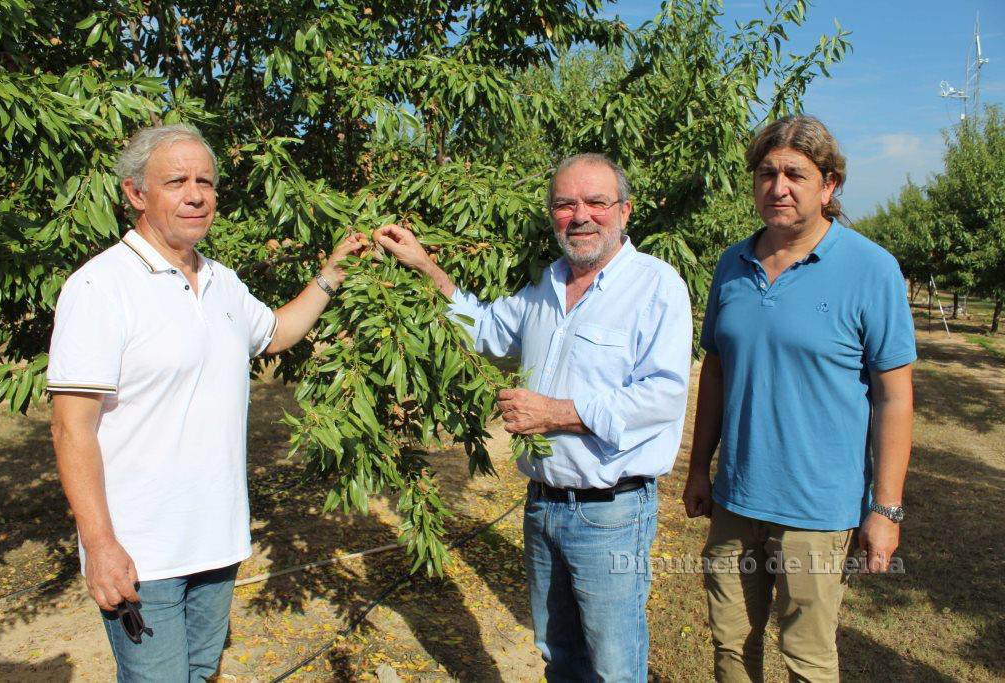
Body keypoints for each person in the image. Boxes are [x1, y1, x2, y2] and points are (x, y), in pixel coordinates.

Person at [48, 124, 366, 682]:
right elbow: (71, 428)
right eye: (177, 182)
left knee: (200, 672)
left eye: (206, 182)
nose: (196, 195)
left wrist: (331, 275)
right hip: (143, 553)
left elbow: (275, 333)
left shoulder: (223, 281)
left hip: (217, 542)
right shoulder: (100, 287)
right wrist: (98, 544)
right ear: (135, 193)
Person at [374, 153, 692, 682]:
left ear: (625, 210)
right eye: (565, 204)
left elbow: (662, 397)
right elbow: (487, 330)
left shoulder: (657, 287)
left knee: (614, 667)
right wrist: (425, 266)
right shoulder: (546, 284)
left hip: (611, 514)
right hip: (543, 507)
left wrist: (557, 414)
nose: (580, 216)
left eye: (596, 202)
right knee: (558, 656)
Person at [682, 115, 916, 682]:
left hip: (818, 509)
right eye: (767, 173)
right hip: (737, 500)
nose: (778, 187)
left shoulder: (871, 269)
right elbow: (716, 371)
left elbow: (894, 398)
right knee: (731, 646)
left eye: (795, 175)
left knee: (807, 659)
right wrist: (699, 468)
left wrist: (885, 510)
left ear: (829, 185)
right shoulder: (732, 264)